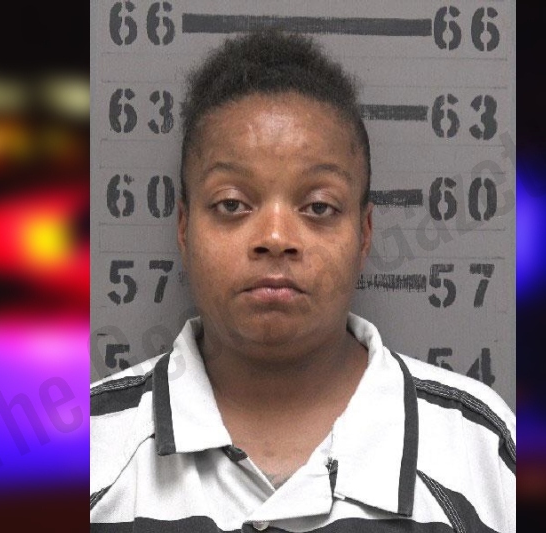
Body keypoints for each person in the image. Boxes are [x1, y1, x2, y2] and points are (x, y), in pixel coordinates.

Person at [91, 29, 515, 532]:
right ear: (184, 228)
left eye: (318, 207)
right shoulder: (93, 452)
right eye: (232, 204)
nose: (275, 238)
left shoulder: (483, 451)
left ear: (364, 233)